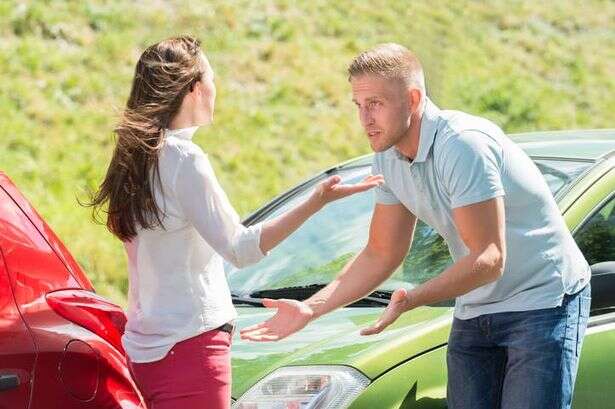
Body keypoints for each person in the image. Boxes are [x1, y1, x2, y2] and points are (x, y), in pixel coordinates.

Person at [240, 43, 591, 409]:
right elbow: (382, 251)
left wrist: (412, 298)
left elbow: (489, 258)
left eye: (375, 103)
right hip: (476, 307)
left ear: (412, 98)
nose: (365, 119)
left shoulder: (463, 145)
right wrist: (312, 309)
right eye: (358, 105)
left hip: (543, 300)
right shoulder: (387, 157)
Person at [86, 35, 383, 409]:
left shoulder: (136, 156)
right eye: (211, 76)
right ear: (194, 89)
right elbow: (241, 249)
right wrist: (318, 200)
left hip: (140, 351)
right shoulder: (183, 159)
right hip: (191, 348)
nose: (215, 86)